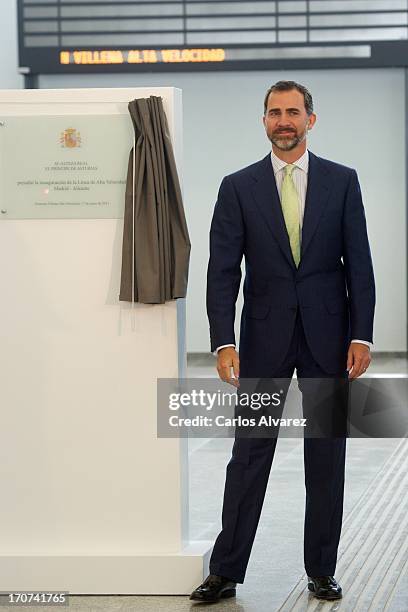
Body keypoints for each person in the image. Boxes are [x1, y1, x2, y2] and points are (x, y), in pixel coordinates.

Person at [190, 81, 375, 603]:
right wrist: (223, 341)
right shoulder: (238, 186)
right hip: (262, 339)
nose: (284, 121)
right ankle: (225, 570)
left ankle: (321, 568)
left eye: (293, 111)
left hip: (329, 337)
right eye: (274, 113)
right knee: (249, 455)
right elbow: (222, 271)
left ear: (311, 120)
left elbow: (358, 264)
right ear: (264, 121)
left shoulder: (343, 182)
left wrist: (362, 333)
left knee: (326, 456)